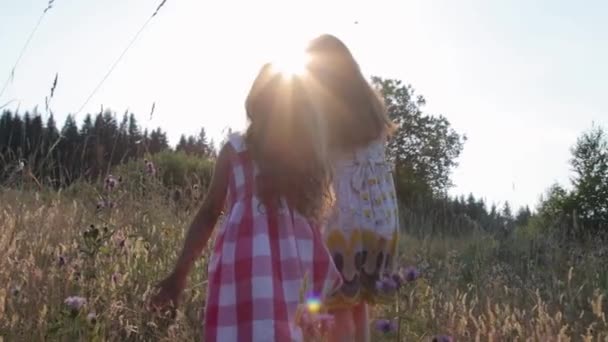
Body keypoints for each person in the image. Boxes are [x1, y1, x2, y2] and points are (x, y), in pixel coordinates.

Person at [149, 63, 342, 341]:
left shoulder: (236, 149)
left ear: (255, 104)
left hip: (244, 269)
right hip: (295, 274)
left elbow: (208, 214)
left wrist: (180, 273)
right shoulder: (307, 163)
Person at [304, 34, 400, 342]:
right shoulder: (369, 106)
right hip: (379, 220)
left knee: (337, 310)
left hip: (342, 219)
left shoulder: (324, 107)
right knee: (358, 305)